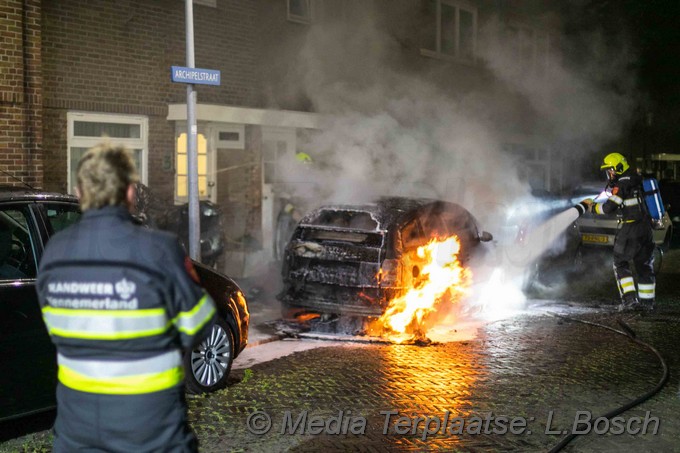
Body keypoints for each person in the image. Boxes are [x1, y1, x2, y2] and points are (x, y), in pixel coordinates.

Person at [36, 143, 216, 452]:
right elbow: (198, 325)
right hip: (151, 434)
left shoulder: (53, 253)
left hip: (76, 435)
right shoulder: (159, 250)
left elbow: (57, 329)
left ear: (80, 192)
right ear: (131, 191)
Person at [588, 152, 656, 312]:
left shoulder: (622, 184)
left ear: (618, 168)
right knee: (644, 266)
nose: (609, 174)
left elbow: (608, 208)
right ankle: (647, 304)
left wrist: (593, 208)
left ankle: (630, 301)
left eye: (610, 170)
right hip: (646, 229)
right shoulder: (638, 179)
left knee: (620, 262)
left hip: (631, 229)